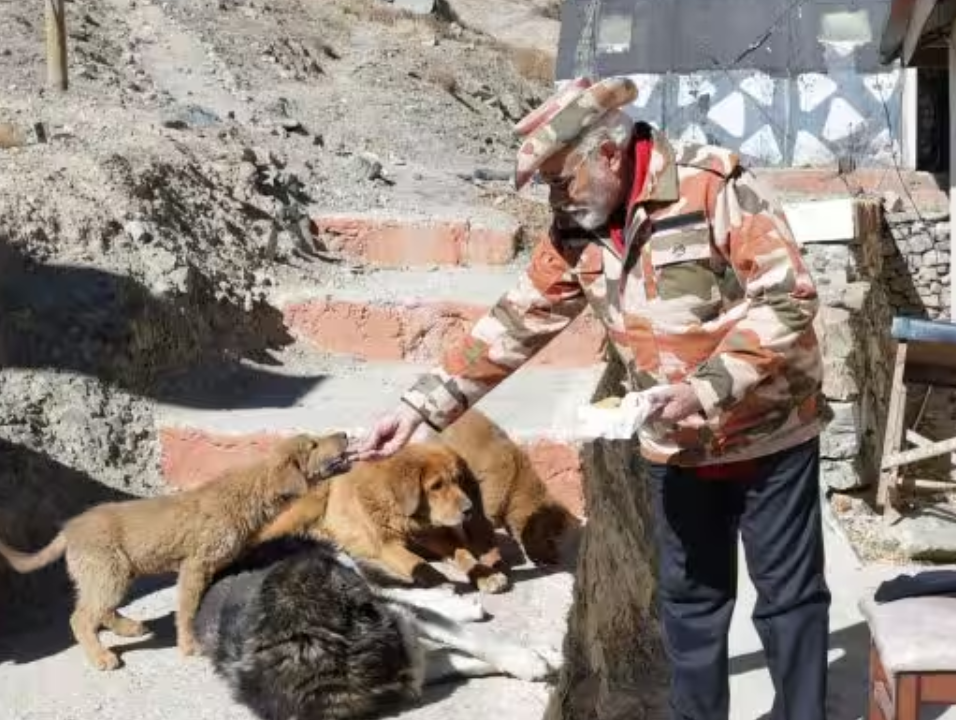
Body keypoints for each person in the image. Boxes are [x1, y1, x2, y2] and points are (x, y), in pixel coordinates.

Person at [355, 76, 830, 720]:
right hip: (676, 444)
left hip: (770, 431)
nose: (555, 197)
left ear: (607, 154)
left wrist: (705, 388)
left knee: (789, 600)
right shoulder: (575, 229)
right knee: (692, 602)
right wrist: (419, 411)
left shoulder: (710, 186)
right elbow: (516, 320)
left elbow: (788, 296)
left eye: (561, 179)